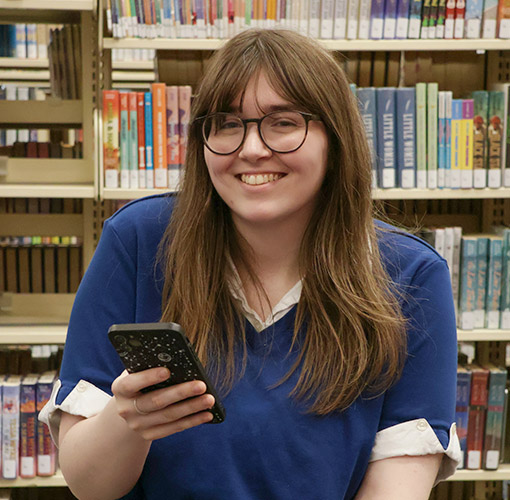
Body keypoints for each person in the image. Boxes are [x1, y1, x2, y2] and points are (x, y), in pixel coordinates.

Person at [40, 28, 461, 500]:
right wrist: (128, 423)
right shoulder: (137, 241)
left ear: (335, 138)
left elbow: (396, 487)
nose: (252, 149)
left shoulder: (411, 276)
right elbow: (88, 485)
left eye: (282, 122)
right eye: (226, 123)